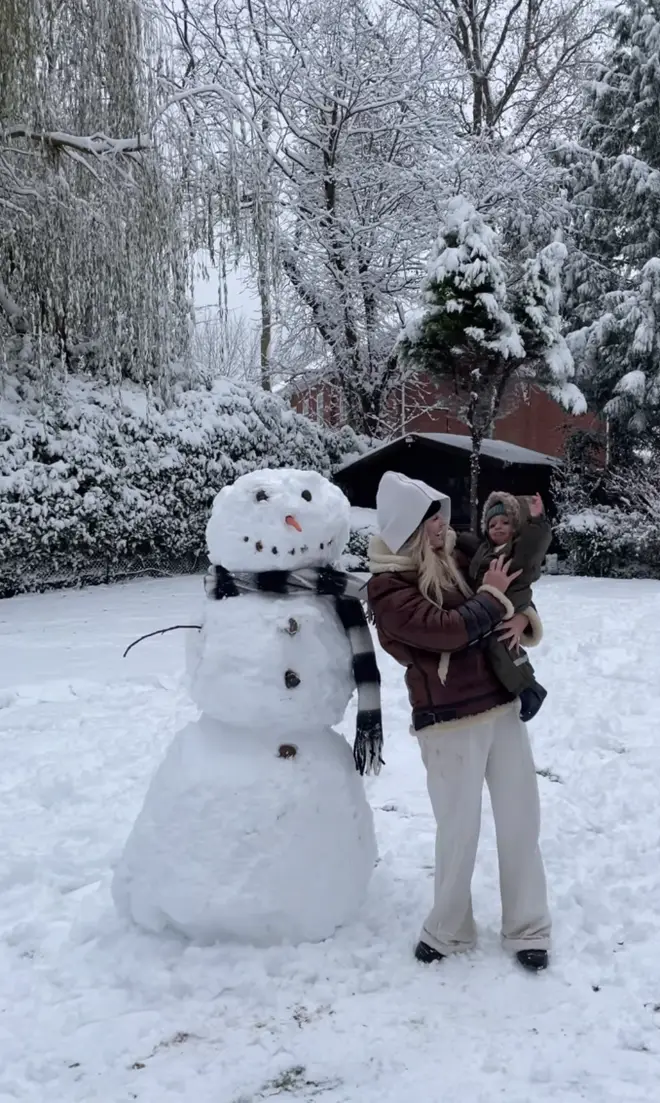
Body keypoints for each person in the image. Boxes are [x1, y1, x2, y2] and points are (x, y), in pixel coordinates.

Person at [367, 471, 551, 972]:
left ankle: (528, 926)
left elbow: (511, 567)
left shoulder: (458, 550)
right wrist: (491, 600)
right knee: (458, 830)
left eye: (442, 516)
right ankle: (448, 930)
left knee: (521, 820)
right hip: (448, 721)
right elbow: (445, 632)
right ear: (407, 526)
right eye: (431, 519)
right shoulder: (387, 587)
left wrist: (520, 614)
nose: (442, 526)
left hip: (501, 705)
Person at [458, 491, 552, 723]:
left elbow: (535, 544)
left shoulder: (520, 550)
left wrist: (537, 521)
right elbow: (470, 543)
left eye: (505, 522)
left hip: (512, 601)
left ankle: (529, 688)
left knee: (501, 645)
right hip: (494, 603)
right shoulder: (487, 548)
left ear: (516, 525)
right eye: (492, 524)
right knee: (495, 645)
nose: (498, 527)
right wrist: (453, 535)